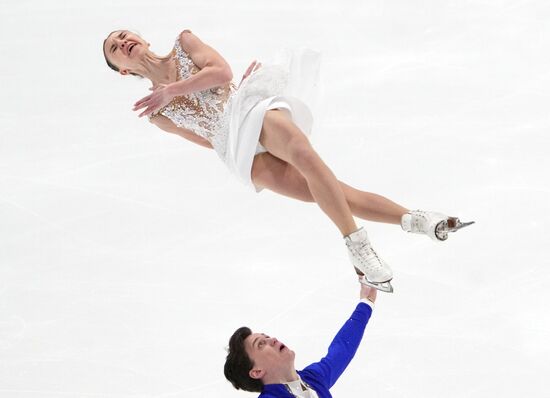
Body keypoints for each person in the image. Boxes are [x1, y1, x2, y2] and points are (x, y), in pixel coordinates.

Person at [102, 29, 473, 292]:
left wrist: (175, 90)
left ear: (142, 36)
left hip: (247, 106)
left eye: (123, 35)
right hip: (232, 146)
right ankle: (416, 219)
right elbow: (203, 139)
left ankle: (359, 249)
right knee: (326, 191)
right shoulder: (156, 115)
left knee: (306, 157)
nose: (123, 42)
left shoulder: (183, 42)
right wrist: (229, 146)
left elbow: (222, 73)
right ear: (122, 70)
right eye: (115, 48)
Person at [224, 282, 377, 397]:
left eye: (267, 337)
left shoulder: (312, 379)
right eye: (261, 344)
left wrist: (366, 303)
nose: (272, 340)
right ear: (257, 371)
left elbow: (343, 347)